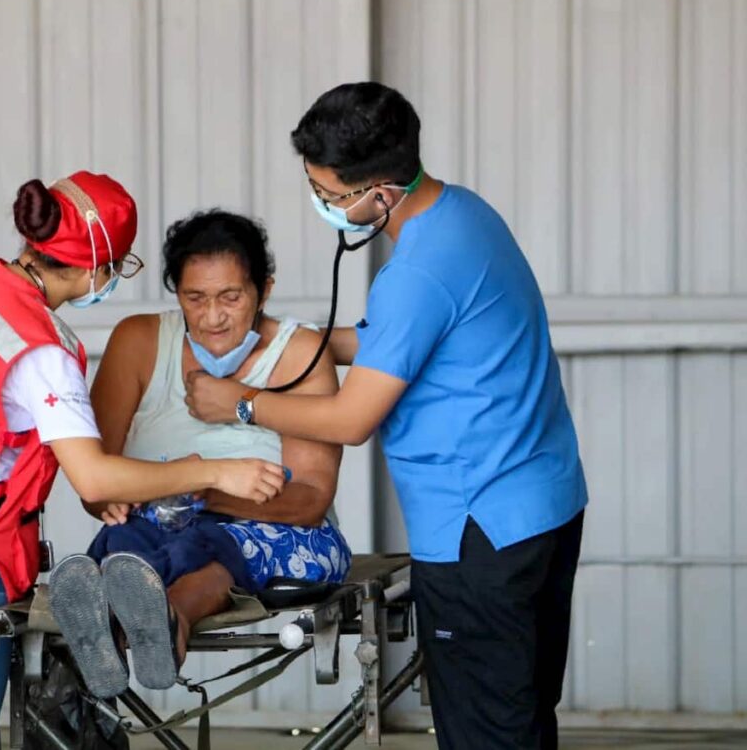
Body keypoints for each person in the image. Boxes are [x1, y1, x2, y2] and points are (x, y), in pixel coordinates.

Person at [184, 82, 587, 750]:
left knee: (486, 732)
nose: (320, 203)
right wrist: (292, 342)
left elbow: (351, 419)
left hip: (479, 530)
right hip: (543, 506)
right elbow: (402, 342)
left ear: (380, 194)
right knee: (521, 716)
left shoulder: (417, 271)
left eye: (328, 193)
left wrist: (241, 403)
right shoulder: (465, 217)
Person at [0, 174, 286, 750]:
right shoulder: (41, 348)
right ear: (95, 266)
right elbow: (92, 475)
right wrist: (217, 471)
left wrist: (8, 437)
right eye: (119, 266)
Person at [45, 209, 351, 698]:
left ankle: (166, 620)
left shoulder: (299, 354)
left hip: (278, 534)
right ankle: (116, 622)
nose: (212, 317)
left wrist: (200, 490)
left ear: (264, 290)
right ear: (177, 295)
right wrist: (118, 499)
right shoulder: (140, 341)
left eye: (231, 297)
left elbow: (310, 500)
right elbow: (96, 483)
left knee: (206, 551)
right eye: (195, 298)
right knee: (126, 546)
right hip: (153, 526)